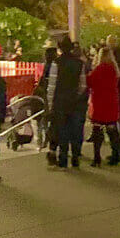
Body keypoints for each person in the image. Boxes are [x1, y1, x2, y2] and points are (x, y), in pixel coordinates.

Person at [49, 37, 86, 169]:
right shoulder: (79, 63)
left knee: (62, 130)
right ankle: (75, 158)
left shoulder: (56, 63)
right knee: (75, 131)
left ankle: (63, 160)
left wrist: (50, 103)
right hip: (74, 101)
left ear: (60, 48)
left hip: (60, 101)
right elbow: (83, 85)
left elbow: (52, 85)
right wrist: (76, 95)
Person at [86, 47, 120, 166]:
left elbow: (90, 82)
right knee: (112, 131)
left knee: (97, 131)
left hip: (100, 103)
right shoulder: (114, 70)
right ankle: (116, 155)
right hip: (112, 103)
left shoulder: (99, 69)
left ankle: (97, 157)